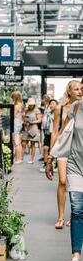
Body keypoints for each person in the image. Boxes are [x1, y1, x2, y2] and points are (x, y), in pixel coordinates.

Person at [46, 91, 83, 261]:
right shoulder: (76, 107)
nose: (81, 90)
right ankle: (76, 257)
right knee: (77, 209)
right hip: (76, 164)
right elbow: (61, 132)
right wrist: (51, 157)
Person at [50, 80, 83, 229]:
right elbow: (56, 132)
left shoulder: (80, 107)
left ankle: (73, 214)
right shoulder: (60, 109)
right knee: (63, 181)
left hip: (77, 150)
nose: (79, 92)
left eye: (80, 89)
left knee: (74, 184)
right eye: (76, 89)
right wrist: (51, 155)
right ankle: (61, 216)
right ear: (69, 91)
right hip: (64, 149)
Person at [21, 98, 42, 164]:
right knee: (23, 143)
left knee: (32, 144)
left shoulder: (37, 111)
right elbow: (24, 118)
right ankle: (21, 158)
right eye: (29, 105)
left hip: (33, 128)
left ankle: (31, 159)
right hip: (26, 128)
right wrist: (24, 121)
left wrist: (32, 122)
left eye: (32, 105)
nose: (30, 106)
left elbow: (39, 120)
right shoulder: (26, 110)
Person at [40, 99, 58, 172]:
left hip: (56, 134)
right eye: (51, 104)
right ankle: (45, 164)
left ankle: (56, 164)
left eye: (53, 104)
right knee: (45, 148)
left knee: (55, 149)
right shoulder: (47, 113)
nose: (52, 105)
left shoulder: (58, 113)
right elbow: (44, 124)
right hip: (48, 133)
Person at [11, 91, 24, 164]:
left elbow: (13, 116)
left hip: (16, 124)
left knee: (17, 142)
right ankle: (20, 158)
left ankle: (17, 159)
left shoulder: (16, 106)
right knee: (19, 142)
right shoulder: (21, 105)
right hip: (19, 124)